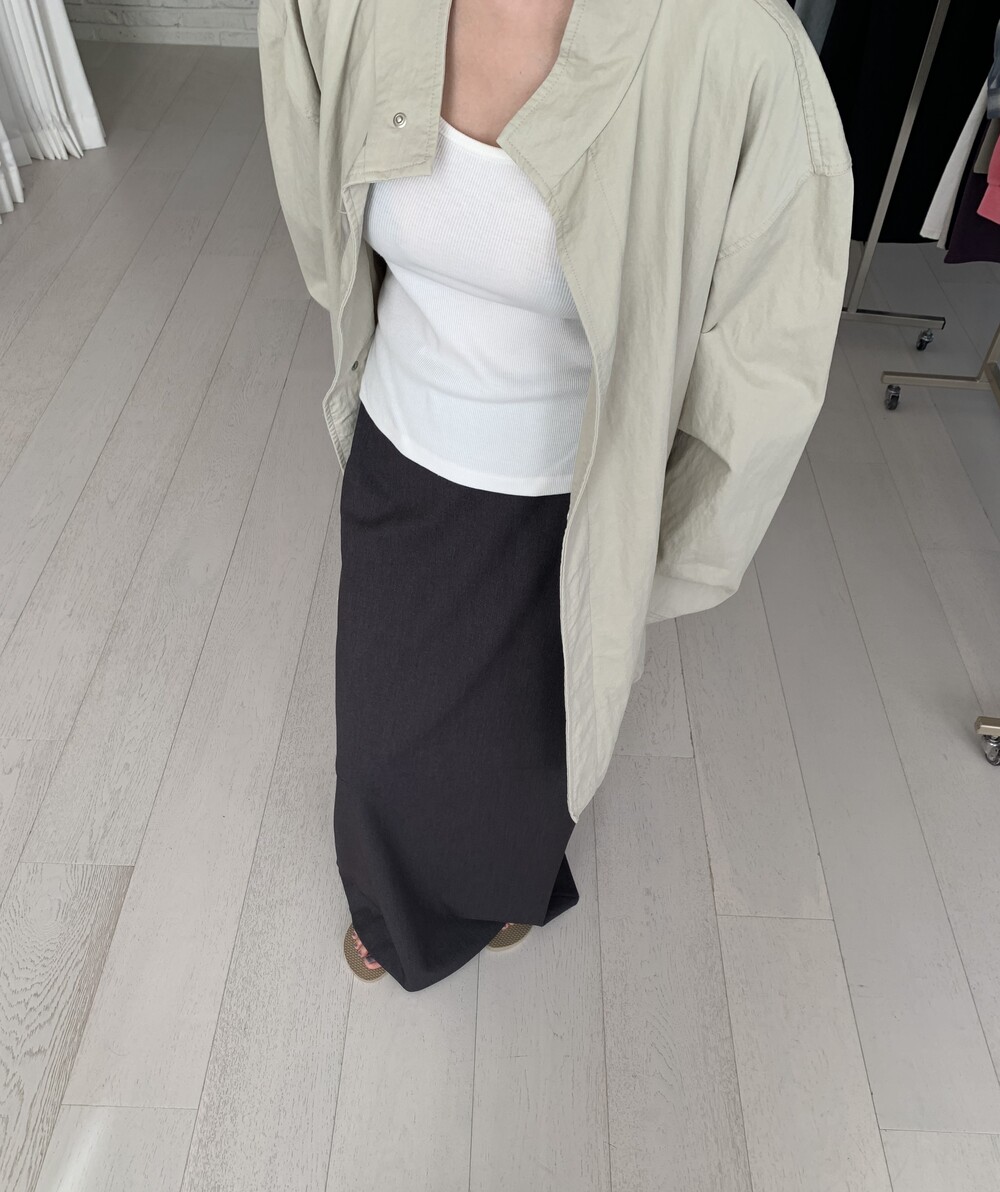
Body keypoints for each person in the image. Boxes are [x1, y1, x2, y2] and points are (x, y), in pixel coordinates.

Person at [258, 0, 854, 991]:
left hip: (577, 500)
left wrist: (650, 549)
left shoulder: (738, 50)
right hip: (404, 448)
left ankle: (505, 884)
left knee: (539, 747)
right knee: (380, 740)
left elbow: (762, 372)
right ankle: (396, 902)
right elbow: (318, 198)